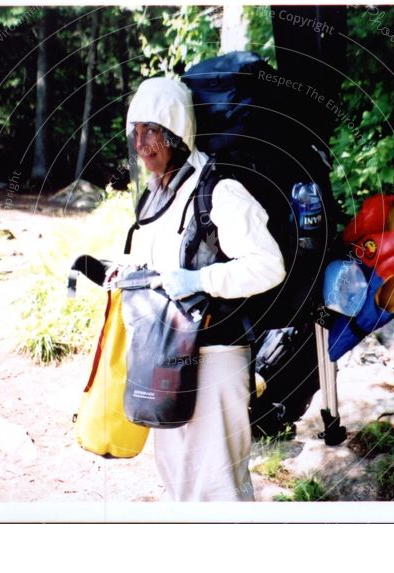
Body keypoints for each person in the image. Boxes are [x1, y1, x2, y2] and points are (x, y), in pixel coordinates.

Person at [120, 77, 285, 501]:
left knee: (219, 489)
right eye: (135, 132)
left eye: (151, 131)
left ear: (176, 131)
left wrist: (200, 281)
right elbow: (156, 265)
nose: (140, 144)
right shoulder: (156, 197)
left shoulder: (219, 191)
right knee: (178, 482)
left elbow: (269, 266)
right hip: (165, 358)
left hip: (214, 358)